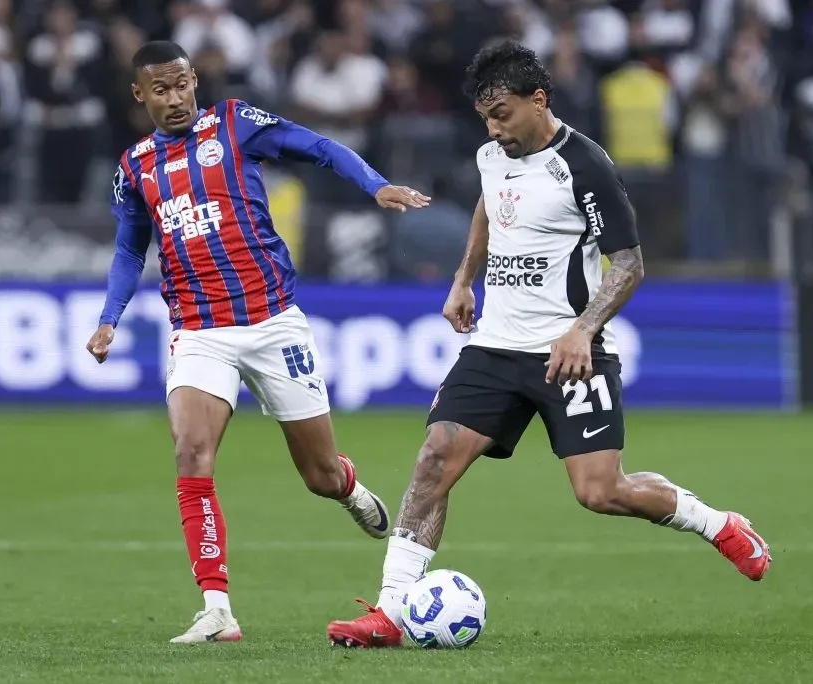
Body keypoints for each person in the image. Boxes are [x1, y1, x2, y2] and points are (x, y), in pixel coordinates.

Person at [325, 40, 772, 649]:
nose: (493, 128)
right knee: (434, 461)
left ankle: (716, 522)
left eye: (502, 113)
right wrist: (463, 278)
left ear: (539, 100)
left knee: (600, 491)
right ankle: (389, 612)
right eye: (485, 116)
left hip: (570, 351)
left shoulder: (585, 165)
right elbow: (491, 204)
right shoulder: (492, 154)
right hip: (495, 347)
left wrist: (583, 327)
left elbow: (630, 264)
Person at [86, 40, 430, 644]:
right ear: (139, 95)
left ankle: (347, 486)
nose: (174, 99)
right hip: (198, 329)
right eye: (159, 90)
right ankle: (217, 608)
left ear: (195, 79)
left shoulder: (236, 123)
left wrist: (374, 185)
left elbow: (318, 147)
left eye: (181, 84)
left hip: (273, 323)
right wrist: (111, 315)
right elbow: (128, 247)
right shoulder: (136, 165)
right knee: (191, 453)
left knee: (318, 474)